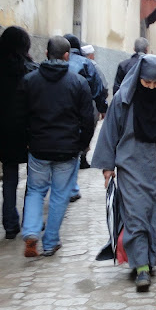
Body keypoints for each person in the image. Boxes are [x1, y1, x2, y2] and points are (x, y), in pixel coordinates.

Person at [92, 54, 156, 292]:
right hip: (131, 165)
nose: (151, 87)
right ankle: (141, 267)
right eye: (147, 83)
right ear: (138, 79)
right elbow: (109, 132)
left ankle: (150, 259)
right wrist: (107, 168)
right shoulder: (123, 100)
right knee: (136, 214)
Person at [19, 36, 94, 257]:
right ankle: (50, 242)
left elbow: (21, 115)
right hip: (67, 149)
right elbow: (87, 118)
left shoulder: (30, 81)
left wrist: (27, 139)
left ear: (46, 54)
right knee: (60, 195)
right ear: (67, 56)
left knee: (34, 190)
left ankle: (31, 232)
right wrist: (83, 144)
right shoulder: (78, 83)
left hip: (38, 148)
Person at [0, 26, 38, 240]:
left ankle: (10, 225)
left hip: (4, 128)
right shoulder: (32, 69)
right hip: (29, 129)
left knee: (10, 175)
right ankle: (30, 220)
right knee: (34, 178)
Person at [64, 34, 107, 202]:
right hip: (79, 114)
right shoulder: (86, 64)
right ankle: (71, 187)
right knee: (75, 150)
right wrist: (102, 108)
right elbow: (98, 89)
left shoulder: (53, 61)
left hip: (54, 114)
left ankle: (65, 187)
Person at [80, 43, 108, 169]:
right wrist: (103, 108)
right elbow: (102, 86)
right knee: (88, 127)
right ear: (91, 55)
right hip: (90, 103)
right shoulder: (93, 65)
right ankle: (82, 155)